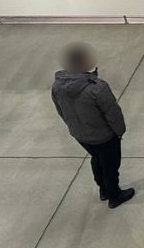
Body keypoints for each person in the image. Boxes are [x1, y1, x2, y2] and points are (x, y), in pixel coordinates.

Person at [51, 43, 134, 209]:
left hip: (80, 135)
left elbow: (60, 110)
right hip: (104, 136)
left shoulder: (57, 86)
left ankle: (103, 190)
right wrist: (119, 132)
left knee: (96, 159)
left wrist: (74, 127)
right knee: (110, 165)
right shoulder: (97, 88)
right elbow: (112, 113)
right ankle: (114, 195)